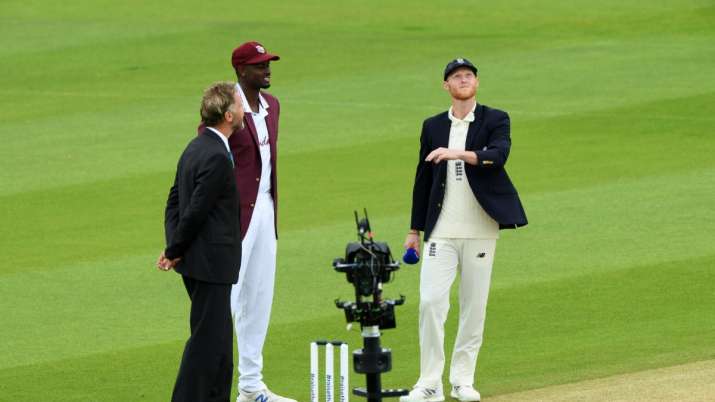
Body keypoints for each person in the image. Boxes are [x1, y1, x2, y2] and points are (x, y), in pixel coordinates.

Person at [401, 58, 528, 402]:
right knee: (430, 303)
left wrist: (456, 154)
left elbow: (497, 156)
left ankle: (462, 380)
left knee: (473, 306)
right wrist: (414, 230)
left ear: (476, 82)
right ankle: (429, 383)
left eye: (469, 75)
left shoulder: (495, 119)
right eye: (456, 76)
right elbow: (422, 179)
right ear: (446, 86)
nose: (463, 79)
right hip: (439, 229)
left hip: (480, 228)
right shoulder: (432, 126)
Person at [158, 82, 244, 402]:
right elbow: (194, 209)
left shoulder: (195, 147)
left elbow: (174, 202)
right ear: (228, 114)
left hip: (199, 261)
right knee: (207, 341)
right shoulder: (217, 156)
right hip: (212, 264)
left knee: (220, 340)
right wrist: (174, 249)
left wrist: (175, 247)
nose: (243, 109)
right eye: (239, 103)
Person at [220, 41, 294, 402]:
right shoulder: (225, 108)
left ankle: (251, 386)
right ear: (241, 71)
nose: (267, 70)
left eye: (268, 64)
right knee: (227, 301)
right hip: (235, 217)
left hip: (266, 211)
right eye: (259, 65)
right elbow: (210, 157)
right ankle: (214, 387)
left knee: (260, 297)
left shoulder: (273, 106)